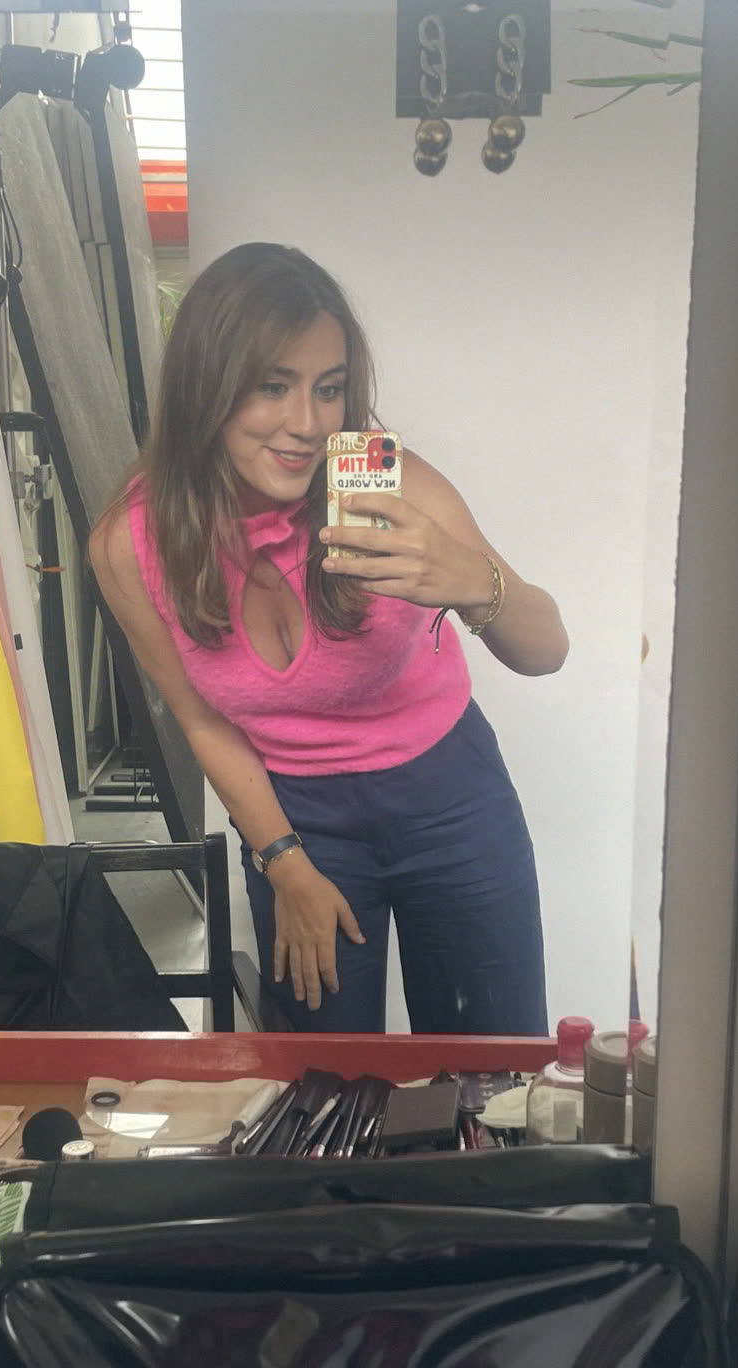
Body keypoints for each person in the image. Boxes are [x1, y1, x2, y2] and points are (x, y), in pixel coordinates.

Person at [90, 242, 568, 1033]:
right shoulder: (131, 545)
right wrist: (283, 862)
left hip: (449, 795)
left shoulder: (392, 489)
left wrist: (473, 580)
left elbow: (547, 649)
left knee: (490, 1065)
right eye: (272, 386)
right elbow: (204, 722)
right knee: (323, 1075)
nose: (308, 425)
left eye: (330, 389)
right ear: (207, 387)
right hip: (294, 817)